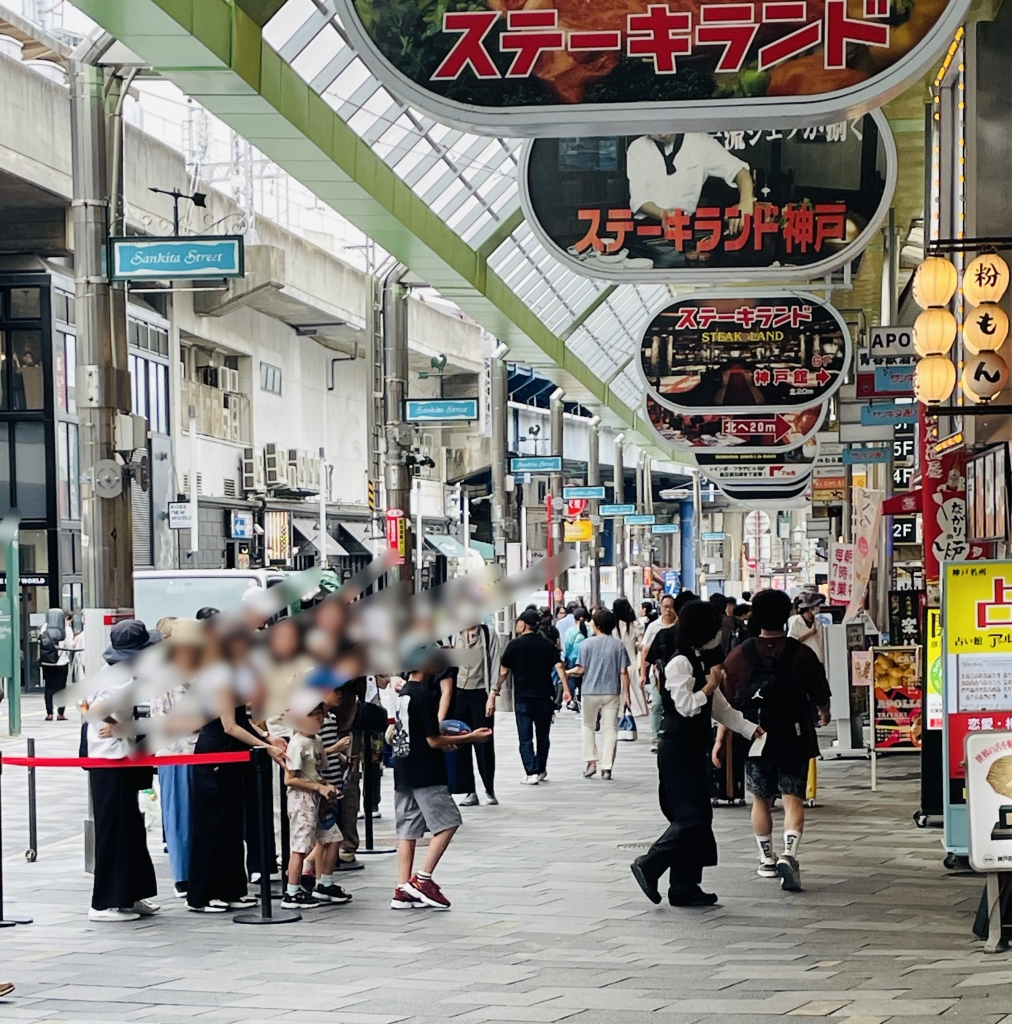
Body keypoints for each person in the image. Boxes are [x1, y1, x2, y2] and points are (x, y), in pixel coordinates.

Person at [630, 601, 761, 907]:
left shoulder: (700, 660)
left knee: (699, 819)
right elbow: (687, 706)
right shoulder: (679, 662)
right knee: (691, 818)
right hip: (676, 749)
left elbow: (718, 707)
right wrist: (711, 684)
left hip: (692, 747)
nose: (719, 633)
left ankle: (684, 886)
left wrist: (747, 728)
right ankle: (650, 863)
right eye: (715, 628)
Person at [722, 589, 832, 892]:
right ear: (787, 616)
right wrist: (824, 713)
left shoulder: (740, 654)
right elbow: (820, 691)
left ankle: (766, 858)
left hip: (754, 735)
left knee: (760, 798)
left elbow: (727, 699)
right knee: (792, 797)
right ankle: (789, 854)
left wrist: (722, 737)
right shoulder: (800, 652)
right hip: (794, 733)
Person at [187, 626, 287, 914]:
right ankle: (203, 895)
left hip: (231, 758)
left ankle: (232, 888)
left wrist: (267, 739)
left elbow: (242, 721)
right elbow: (229, 725)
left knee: (231, 826)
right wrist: (265, 746)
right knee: (213, 828)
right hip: (214, 757)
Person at [389, 653, 492, 910]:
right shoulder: (424, 696)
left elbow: (420, 733)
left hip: (403, 766)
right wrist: (470, 739)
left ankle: (402, 888)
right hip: (425, 770)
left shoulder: (405, 694)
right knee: (448, 822)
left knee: (408, 831)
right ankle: (422, 879)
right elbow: (432, 740)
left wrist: (443, 738)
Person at [84, 619, 162, 922]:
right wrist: (117, 727)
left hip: (120, 758)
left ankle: (129, 895)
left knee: (130, 828)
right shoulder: (119, 679)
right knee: (115, 830)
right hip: (110, 760)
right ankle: (106, 903)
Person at [626, 132, 754, 267]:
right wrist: (667, 216)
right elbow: (640, 199)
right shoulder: (638, 147)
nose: (662, 134)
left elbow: (740, 172)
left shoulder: (700, 142)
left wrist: (746, 203)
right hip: (648, 234)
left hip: (685, 232)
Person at [150, 617, 205, 899]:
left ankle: (197, 871)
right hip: (176, 752)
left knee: (198, 815)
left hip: (201, 752)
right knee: (180, 815)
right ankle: (182, 875)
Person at [282, 695, 348, 909]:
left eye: (321, 716)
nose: (318, 720)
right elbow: (290, 778)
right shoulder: (297, 744)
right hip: (302, 799)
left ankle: (325, 883)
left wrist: (327, 786)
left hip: (319, 798)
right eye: (313, 716)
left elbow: (317, 771)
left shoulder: (316, 741)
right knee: (300, 846)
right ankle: (292, 891)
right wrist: (319, 787)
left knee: (333, 837)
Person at [494, 609, 569, 785]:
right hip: (544, 697)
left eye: (519, 621)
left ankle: (531, 771)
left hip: (523, 698)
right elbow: (559, 667)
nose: (516, 624)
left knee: (525, 737)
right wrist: (566, 689)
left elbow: (504, 671)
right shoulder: (547, 644)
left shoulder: (514, 645)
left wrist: (495, 687)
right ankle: (541, 768)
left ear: (524, 624)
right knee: (543, 736)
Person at [570, 609, 631, 780]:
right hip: (612, 691)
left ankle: (591, 762)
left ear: (596, 625)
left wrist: (567, 673)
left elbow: (580, 669)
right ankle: (607, 767)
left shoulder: (587, 644)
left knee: (588, 726)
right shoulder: (618, 645)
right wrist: (627, 693)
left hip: (589, 691)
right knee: (610, 729)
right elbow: (623, 672)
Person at [448, 623, 501, 807]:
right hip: (459, 694)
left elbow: (495, 663)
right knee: (462, 741)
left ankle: (489, 788)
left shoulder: (488, 634)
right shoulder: (454, 634)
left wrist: (493, 694)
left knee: (484, 742)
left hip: (481, 693)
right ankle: (469, 790)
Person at [641, 594, 677, 750]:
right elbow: (645, 652)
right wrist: (643, 674)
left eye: (671, 606)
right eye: (665, 607)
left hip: (676, 673)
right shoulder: (654, 627)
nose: (668, 610)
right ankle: (655, 736)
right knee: (656, 703)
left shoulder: (679, 626)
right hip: (657, 673)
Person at [613, 598, 647, 717]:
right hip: (631, 661)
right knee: (633, 689)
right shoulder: (635, 624)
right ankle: (633, 709)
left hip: (615, 663)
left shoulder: (613, 626)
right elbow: (641, 644)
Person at [39, 608, 72, 721]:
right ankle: (60, 713)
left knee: (48, 687)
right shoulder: (66, 629)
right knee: (61, 688)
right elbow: (69, 646)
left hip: (47, 662)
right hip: (61, 662)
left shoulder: (44, 627)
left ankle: (49, 713)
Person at [562, 607, 590, 709]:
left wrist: (567, 657)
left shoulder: (571, 631)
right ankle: (582, 701)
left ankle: (573, 700)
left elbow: (568, 646)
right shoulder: (591, 630)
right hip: (588, 660)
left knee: (572, 681)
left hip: (573, 660)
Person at [788, 592, 827, 665]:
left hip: (818, 659)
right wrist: (809, 633)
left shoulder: (818, 622)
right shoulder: (796, 621)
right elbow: (792, 642)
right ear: (811, 607)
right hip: (801, 660)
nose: (818, 608)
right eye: (817, 605)